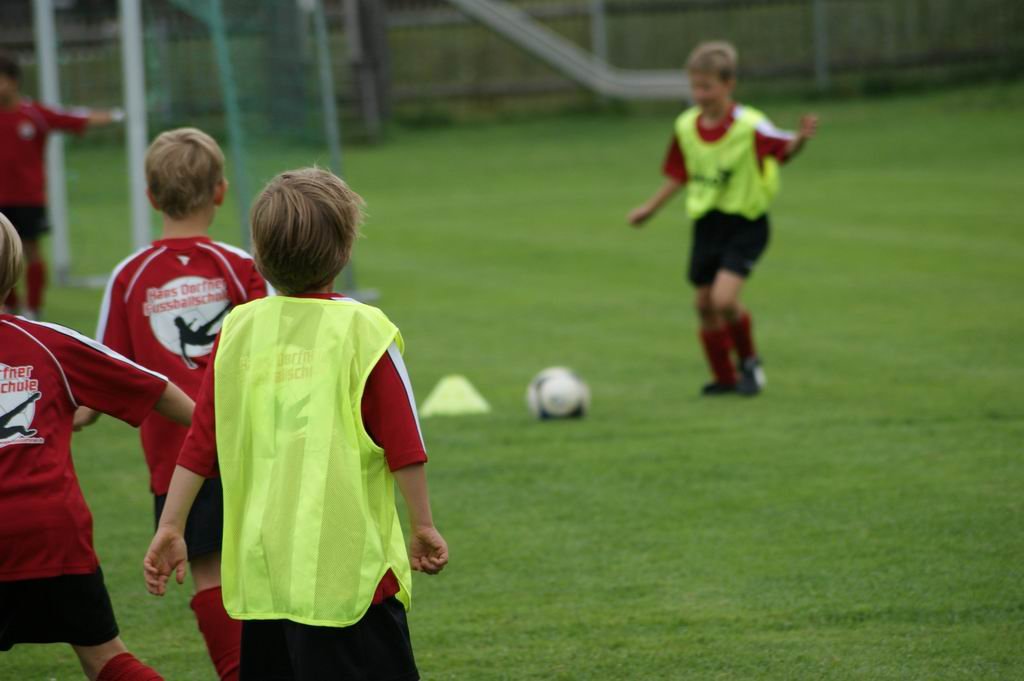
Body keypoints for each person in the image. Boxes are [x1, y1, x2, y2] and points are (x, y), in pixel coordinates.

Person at [143, 168, 448, 681]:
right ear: (346, 250)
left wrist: (171, 525)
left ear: (259, 256)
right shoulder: (363, 330)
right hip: (348, 580)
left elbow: (201, 443)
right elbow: (405, 445)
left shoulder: (239, 329)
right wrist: (422, 525)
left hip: (266, 583)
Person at [81, 127, 270, 681]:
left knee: (208, 569)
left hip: (178, 457)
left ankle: (238, 671)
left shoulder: (129, 276)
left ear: (150, 195)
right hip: (251, 445)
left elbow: (105, 373)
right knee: (261, 562)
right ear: (220, 192)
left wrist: (74, 415)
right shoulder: (241, 266)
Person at [0, 212, 193, 680]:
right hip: (51, 534)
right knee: (106, 658)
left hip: (43, 535)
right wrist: (219, 435)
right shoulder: (46, 342)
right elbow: (159, 389)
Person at [627, 41, 817, 396]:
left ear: (728, 85)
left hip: (746, 224)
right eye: (695, 86)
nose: (699, 94)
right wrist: (649, 209)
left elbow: (782, 148)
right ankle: (725, 379)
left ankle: (750, 365)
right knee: (702, 304)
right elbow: (679, 173)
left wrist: (800, 140)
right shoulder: (686, 126)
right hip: (707, 225)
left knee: (724, 301)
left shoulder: (750, 125)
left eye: (707, 87)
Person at [0, 52, 122, 319]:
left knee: (30, 250)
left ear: (12, 81)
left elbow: (72, 119)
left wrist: (118, 116)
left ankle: (33, 309)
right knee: (2, 254)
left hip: (29, 197)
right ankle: (9, 307)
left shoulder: (34, 114)